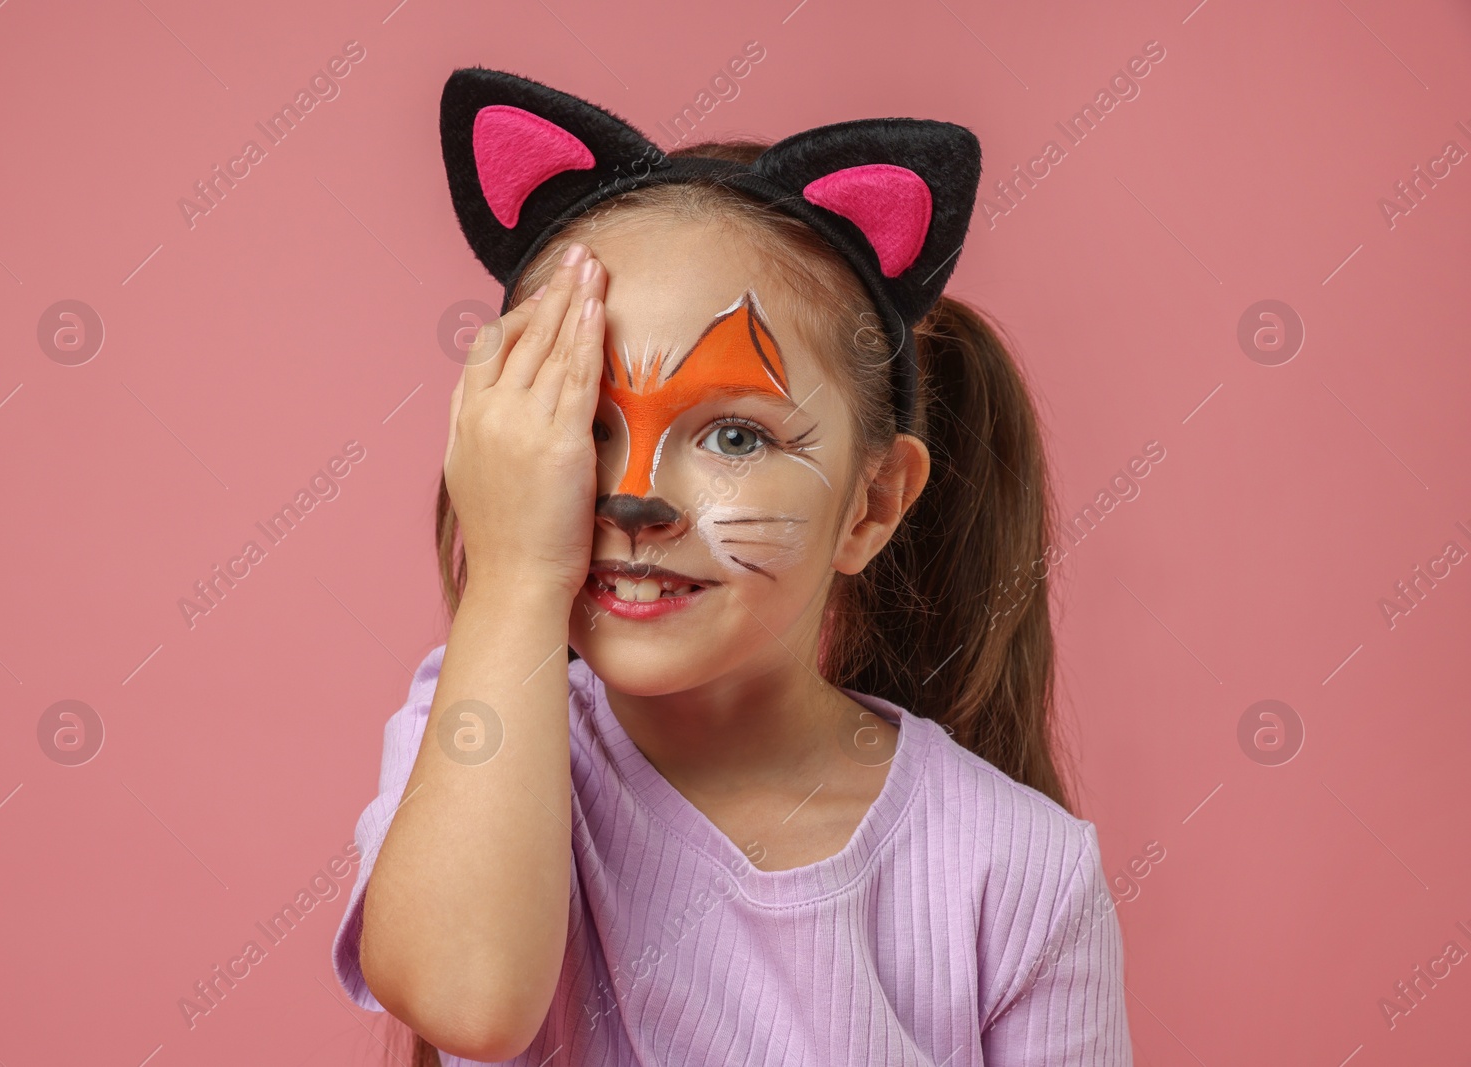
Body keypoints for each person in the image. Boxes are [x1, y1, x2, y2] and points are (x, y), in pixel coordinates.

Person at [330, 67, 1134, 1066]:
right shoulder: (473, 732)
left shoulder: (1019, 868)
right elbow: (468, 999)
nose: (633, 498)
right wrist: (514, 573)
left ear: (872, 503)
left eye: (736, 438)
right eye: (579, 422)